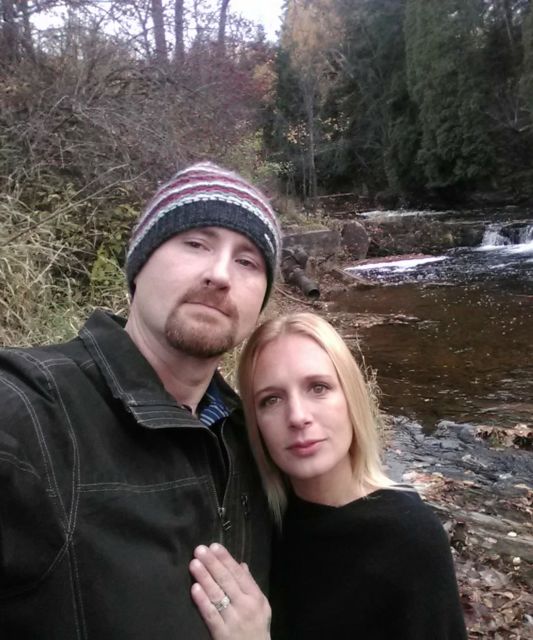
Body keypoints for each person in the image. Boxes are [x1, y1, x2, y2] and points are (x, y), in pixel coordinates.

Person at [0, 162, 282, 639]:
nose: (220, 275)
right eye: (196, 243)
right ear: (140, 264)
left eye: (247, 261)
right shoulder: (32, 411)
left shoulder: (252, 437)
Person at [190, 312, 467, 640]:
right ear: (255, 423)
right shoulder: (256, 520)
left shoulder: (410, 539)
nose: (298, 417)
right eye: (271, 400)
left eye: (318, 388)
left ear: (351, 398)